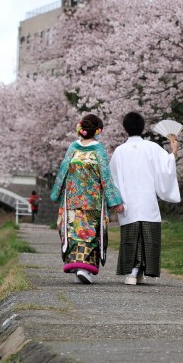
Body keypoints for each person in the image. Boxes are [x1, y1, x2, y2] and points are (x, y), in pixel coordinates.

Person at [50, 114, 124, 284]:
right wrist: (115, 201)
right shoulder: (99, 150)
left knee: (74, 233)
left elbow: (63, 171)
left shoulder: (73, 148)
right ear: (98, 131)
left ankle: (79, 267)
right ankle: (83, 268)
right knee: (89, 233)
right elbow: (106, 176)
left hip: (72, 200)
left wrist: (56, 193)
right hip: (92, 200)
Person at [109, 112, 180, 285]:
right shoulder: (152, 148)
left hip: (127, 201)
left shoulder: (119, 151)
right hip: (147, 199)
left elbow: (113, 179)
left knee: (132, 236)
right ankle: (138, 270)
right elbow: (166, 169)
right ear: (142, 127)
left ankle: (133, 272)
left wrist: (116, 201)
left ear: (125, 128)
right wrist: (173, 153)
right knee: (147, 235)